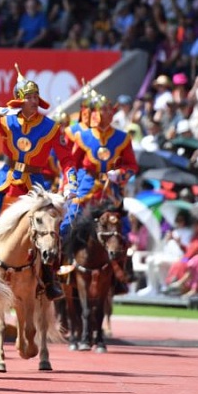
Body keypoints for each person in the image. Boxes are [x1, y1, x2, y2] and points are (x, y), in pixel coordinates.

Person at [0, 69, 78, 300]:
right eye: (28, 97)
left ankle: (51, 278)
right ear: (19, 100)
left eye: (35, 97)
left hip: (36, 186)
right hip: (5, 180)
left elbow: (67, 159)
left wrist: (70, 182)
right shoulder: (4, 119)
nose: (33, 101)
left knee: (54, 229)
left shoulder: (50, 126)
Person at [62, 92, 138, 294]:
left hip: (110, 192)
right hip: (87, 188)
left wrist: (120, 174)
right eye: (101, 110)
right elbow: (70, 163)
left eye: (107, 109)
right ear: (93, 113)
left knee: (125, 229)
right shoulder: (83, 136)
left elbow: (132, 166)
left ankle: (121, 275)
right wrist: (69, 185)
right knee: (67, 222)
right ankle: (59, 269)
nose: (105, 113)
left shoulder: (122, 138)